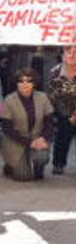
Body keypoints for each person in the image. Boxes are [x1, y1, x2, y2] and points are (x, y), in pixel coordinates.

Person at [0, 68, 54, 181]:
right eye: (21, 81)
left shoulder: (43, 97)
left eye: (29, 81)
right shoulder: (9, 100)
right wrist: (29, 142)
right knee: (23, 177)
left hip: (37, 139)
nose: (25, 84)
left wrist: (43, 139)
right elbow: (6, 128)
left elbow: (49, 123)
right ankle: (10, 166)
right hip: (15, 141)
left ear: (34, 83)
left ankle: (39, 170)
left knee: (41, 157)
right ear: (16, 83)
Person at [48, 45, 76, 175]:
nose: (72, 54)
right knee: (64, 129)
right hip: (63, 110)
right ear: (62, 54)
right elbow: (54, 97)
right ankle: (58, 163)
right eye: (68, 51)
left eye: (75, 52)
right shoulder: (55, 72)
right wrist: (69, 115)